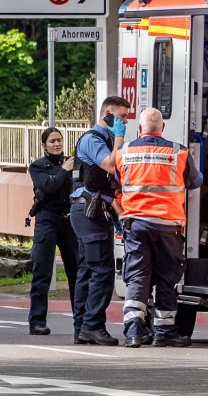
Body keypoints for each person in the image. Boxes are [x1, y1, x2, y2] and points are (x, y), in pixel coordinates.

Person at [116, 108, 203, 348]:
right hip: (168, 226)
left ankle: (133, 333)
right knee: (166, 280)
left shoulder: (124, 152)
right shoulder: (179, 152)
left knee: (138, 278)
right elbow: (194, 181)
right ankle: (164, 334)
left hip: (136, 225)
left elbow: (117, 182)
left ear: (140, 129)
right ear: (162, 128)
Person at [69, 95, 130, 346]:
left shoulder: (102, 139)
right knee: (101, 271)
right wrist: (119, 138)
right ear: (107, 113)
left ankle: (82, 327)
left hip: (93, 210)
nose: (124, 121)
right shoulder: (93, 139)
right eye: (121, 116)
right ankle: (92, 326)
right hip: (88, 212)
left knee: (87, 270)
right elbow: (110, 165)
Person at [26, 127, 79, 337]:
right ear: (44, 145)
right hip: (46, 220)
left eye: (59, 140)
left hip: (68, 221)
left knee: (76, 271)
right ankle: (37, 321)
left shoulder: (71, 162)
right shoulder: (38, 167)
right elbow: (48, 187)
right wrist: (64, 170)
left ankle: (81, 319)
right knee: (42, 272)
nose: (57, 144)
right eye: (52, 141)